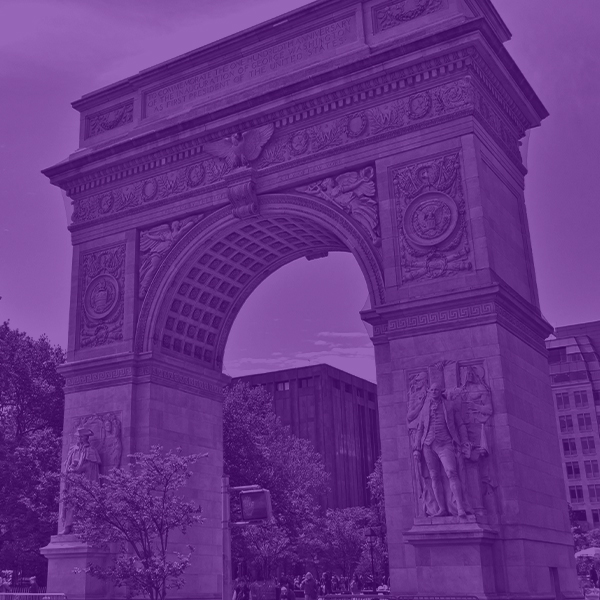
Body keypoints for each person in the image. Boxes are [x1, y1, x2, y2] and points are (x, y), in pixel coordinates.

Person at [414, 383, 471, 518]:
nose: (434, 392)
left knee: (451, 472)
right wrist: (417, 448)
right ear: (429, 392)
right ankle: (441, 509)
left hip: (446, 443)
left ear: (440, 391)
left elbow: (460, 425)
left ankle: (460, 507)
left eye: (436, 390)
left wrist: (464, 441)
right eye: (432, 390)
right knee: (434, 476)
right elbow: (420, 429)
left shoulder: (449, 405)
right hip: (428, 445)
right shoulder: (424, 409)